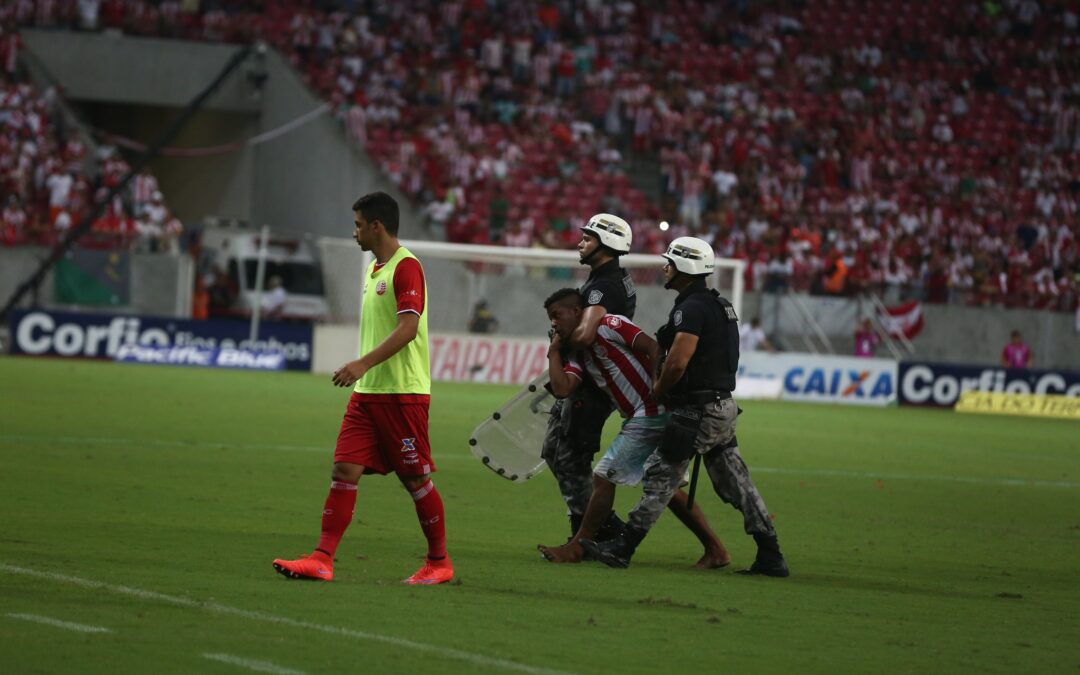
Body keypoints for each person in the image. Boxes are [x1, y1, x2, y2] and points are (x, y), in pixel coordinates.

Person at [580, 237, 790, 577]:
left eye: (671, 262)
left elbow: (678, 362)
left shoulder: (689, 309)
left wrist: (660, 390)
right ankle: (771, 553)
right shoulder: (720, 305)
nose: (665, 267)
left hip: (699, 412)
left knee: (661, 476)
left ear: (686, 267)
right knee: (737, 483)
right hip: (722, 407)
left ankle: (623, 547)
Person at [273, 192, 452, 584]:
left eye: (357, 225)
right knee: (344, 468)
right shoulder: (375, 270)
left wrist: (361, 363)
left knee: (416, 480)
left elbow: (407, 329)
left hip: (402, 393)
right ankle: (322, 558)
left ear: (377, 226)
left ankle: (438, 563)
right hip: (368, 395)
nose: (353, 232)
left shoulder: (407, 268)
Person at [536, 288, 730, 568]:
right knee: (664, 486)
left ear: (577, 311)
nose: (553, 322)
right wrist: (554, 353)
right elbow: (563, 389)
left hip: (651, 411)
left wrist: (658, 386)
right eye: (550, 318)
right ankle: (716, 550)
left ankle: (577, 548)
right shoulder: (578, 352)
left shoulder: (610, 324)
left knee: (603, 477)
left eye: (557, 315)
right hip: (642, 415)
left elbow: (653, 347)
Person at [541, 213, 637, 542]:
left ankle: (592, 531)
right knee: (555, 451)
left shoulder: (605, 286)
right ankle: (597, 527)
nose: (580, 242)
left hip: (594, 384)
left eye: (588, 238)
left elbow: (584, 335)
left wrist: (558, 340)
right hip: (590, 376)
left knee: (570, 457)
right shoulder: (608, 278)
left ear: (606, 243)